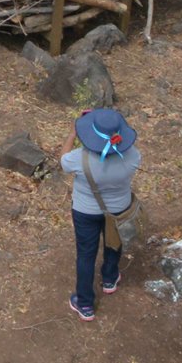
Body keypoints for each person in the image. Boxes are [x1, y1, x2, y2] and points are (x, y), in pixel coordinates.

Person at [61, 108, 141, 320]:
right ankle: (110, 277)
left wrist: (72, 135)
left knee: (86, 254)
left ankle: (85, 303)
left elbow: (63, 161)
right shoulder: (132, 156)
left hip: (85, 211)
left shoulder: (79, 158)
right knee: (114, 242)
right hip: (119, 210)